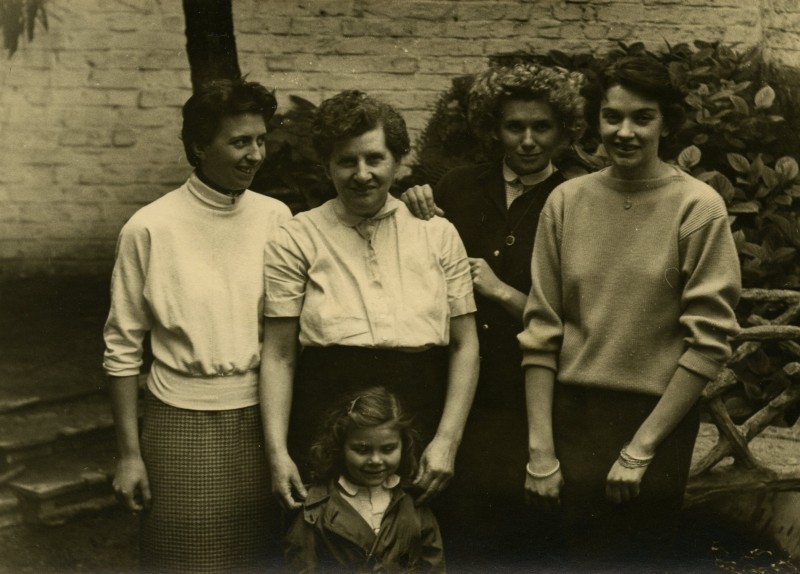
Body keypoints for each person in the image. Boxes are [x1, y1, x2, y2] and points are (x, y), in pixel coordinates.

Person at [519, 55, 742, 570]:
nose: (624, 131)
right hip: (567, 419)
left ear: (666, 122)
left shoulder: (698, 207)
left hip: (655, 423)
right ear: (594, 119)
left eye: (642, 117)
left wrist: (641, 450)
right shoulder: (565, 202)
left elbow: (708, 341)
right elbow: (541, 331)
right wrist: (541, 453)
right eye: (611, 116)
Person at [400, 62, 586, 566]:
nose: (527, 140)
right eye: (514, 127)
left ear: (564, 129)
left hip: (534, 395)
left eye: (541, 127)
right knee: (459, 528)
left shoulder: (577, 200)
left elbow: (580, 329)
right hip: (458, 388)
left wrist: (501, 292)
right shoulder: (458, 186)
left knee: (528, 531)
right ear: (493, 128)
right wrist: (414, 202)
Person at [260, 90, 480, 515]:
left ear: (397, 160)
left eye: (374, 159)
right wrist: (277, 451)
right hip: (327, 415)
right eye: (346, 161)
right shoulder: (298, 236)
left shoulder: (437, 233)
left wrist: (447, 441)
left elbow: (464, 345)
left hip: (420, 413)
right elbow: (280, 353)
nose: (362, 175)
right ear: (327, 165)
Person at [103, 78, 291, 573]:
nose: (255, 155)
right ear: (198, 147)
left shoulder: (277, 218)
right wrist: (129, 455)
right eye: (239, 142)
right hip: (179, 421)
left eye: (260, 140)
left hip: (265, 418)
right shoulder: (150, 227)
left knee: (264, 561)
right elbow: (122, 348)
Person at [283, 386, 445, 573]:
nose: (376, 461)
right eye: (362, 450)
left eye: (388, 449)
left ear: (403, 445)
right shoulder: (315, 510)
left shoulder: (414, 504)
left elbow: (434, 566)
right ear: (340, 447)